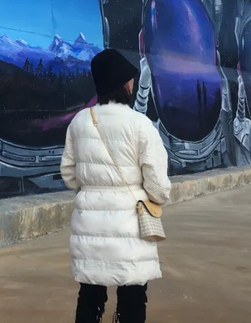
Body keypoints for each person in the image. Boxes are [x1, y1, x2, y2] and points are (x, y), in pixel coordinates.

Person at [61, 49, 172, 323]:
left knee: (89, 296)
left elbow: (68, 175)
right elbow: (158, 186)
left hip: (90, 226)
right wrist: (154, 197)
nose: (133, 84)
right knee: (133, 296)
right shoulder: (140, 124)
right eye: (130, 79)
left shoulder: (79, 122)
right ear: (123, 84)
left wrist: (92, 191)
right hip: (130, 227)